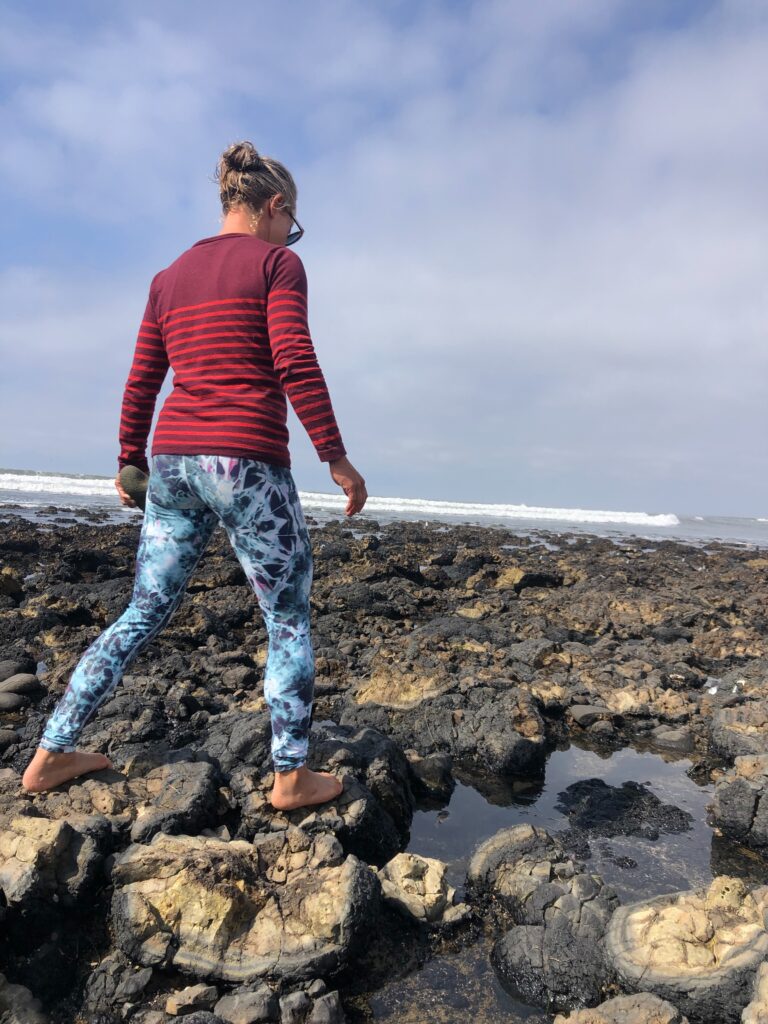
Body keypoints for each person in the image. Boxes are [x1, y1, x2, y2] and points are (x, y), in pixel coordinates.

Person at [22, 141, 367, 809]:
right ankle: (292, 776)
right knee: (287, 620)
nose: (290, 236)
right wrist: (334, 455)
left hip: (174, 460)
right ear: (275, 207)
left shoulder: (167, 277)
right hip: (244, 459)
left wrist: (130, 459)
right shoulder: (277, 264)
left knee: (142, 612)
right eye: (289, 224)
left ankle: (49, 755)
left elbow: (143, 379)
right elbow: (293, 358)